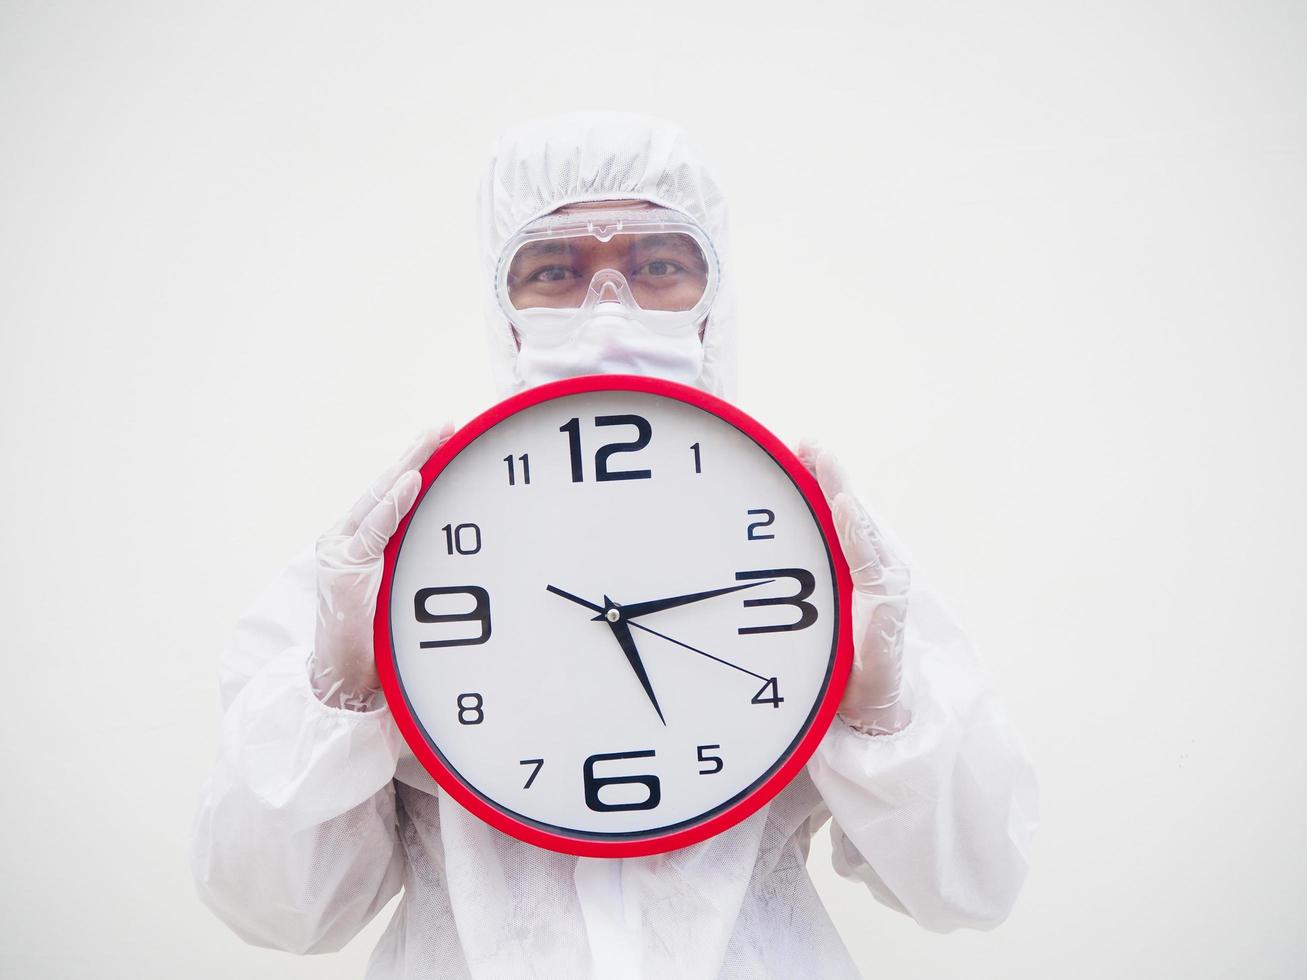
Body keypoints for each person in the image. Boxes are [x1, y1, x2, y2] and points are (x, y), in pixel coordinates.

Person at [191, 111, 1038, 979]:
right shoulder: (388, 553)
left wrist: (880, 715)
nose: (609, 305)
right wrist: (338, 694)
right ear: (504, 307)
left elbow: (970, 885)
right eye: (555, 269)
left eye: (658, 265)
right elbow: (275, 909)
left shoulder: (817, 537)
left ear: (712, 300)